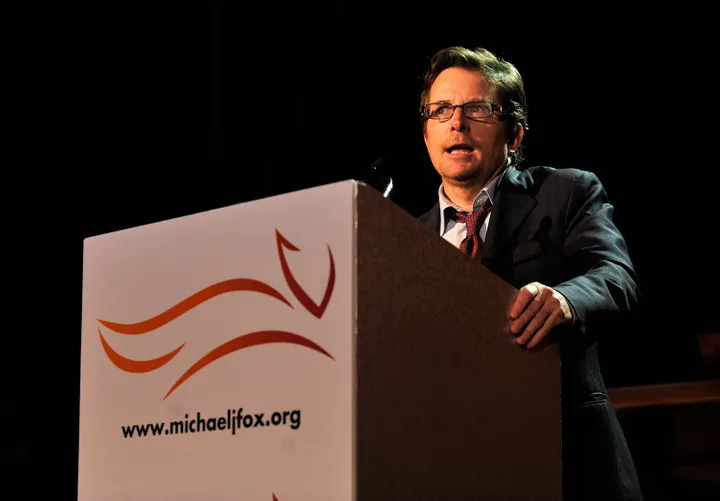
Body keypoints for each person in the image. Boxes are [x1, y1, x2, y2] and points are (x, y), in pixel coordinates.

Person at [417, 45, 644, 501]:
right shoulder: (406, 239)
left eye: (478, 109)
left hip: (568, 463)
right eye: (441, 110)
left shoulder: (565, 192)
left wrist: (565, 300)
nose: (457, 123)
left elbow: (615, 276)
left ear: (515, 134)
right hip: (454, 466)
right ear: (426, 134)